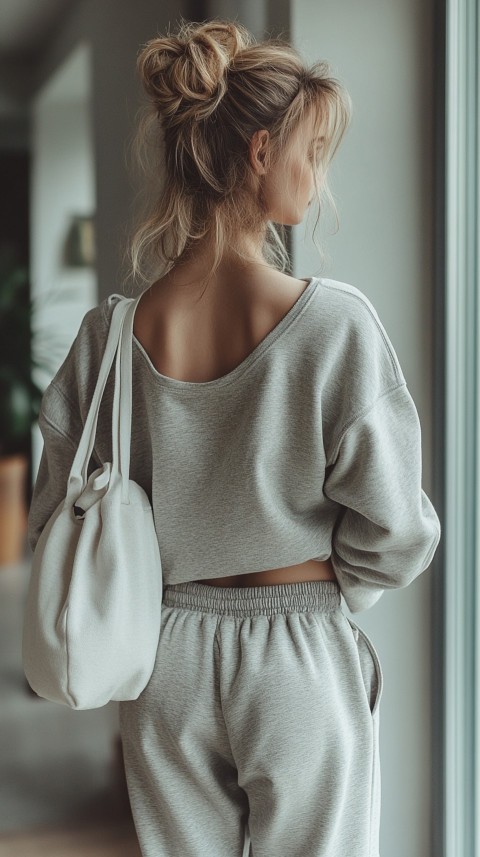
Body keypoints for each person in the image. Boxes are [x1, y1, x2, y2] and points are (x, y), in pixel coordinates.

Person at [27, 17, 442, 857]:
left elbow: (52, 514)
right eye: (312, 150)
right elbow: (397, 532)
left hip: (167, 662)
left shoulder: (110, 337)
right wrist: (330, 595)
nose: (319, 176)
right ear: (259, 152)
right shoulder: (333, 324)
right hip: (297, 652)